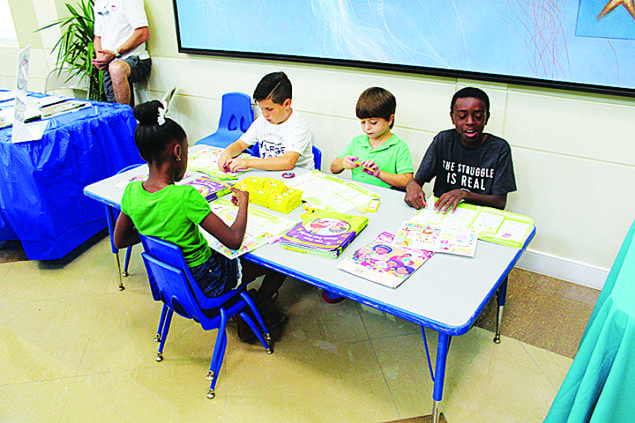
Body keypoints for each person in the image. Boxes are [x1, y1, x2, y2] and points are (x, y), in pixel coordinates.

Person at [113, 100, 287, 341]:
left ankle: (246, 307)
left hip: (174, 282)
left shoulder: (131, 193)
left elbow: (119, 240)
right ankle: (256, 310)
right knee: (274, 264)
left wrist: (155, 232)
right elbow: (234, 240)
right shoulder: (185, 196)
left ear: (142, 153)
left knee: (228, 256)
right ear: (177, 152)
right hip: (208, 280)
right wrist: (244, 202)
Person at [404, 87, 516, 212]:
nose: (470, 122)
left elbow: (500, 202)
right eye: (462, 116)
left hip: (480, 216)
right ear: (452, 118)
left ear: (487, 118)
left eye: (478, 116)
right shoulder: (443, 140)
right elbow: (417, 180)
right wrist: (412, 186)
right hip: (443, 211)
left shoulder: (499, 149)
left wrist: (465, 194)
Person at [218, 71, 314, 172]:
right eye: (261, 109)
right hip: (272, 176)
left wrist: (248, 163)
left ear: (287, 104)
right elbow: (240, 144)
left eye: (269, 109)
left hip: (298, 179)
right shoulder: (262, 121)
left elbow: (288, 162)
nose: (264, 114)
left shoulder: (298, 126)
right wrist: (227, 153)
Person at [330, 87, 414, 190]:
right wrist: (343, 162)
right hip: (356, 194)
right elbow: (333, 168)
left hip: (384, 198)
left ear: (390, 120)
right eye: (363, 122)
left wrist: (379, 173)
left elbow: (407, 181)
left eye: (373, 122)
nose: (367, 127)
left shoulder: (399, 147)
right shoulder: (357, 142)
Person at [92, 0, 152, 105]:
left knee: (117, 68)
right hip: (110, 63)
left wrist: (116, 53)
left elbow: (142, 33)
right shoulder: (99, 2)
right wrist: (100, 57)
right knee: (113, 111)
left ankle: (126, 117)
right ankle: (122, 118)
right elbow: (98, 36)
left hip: (136, 60)